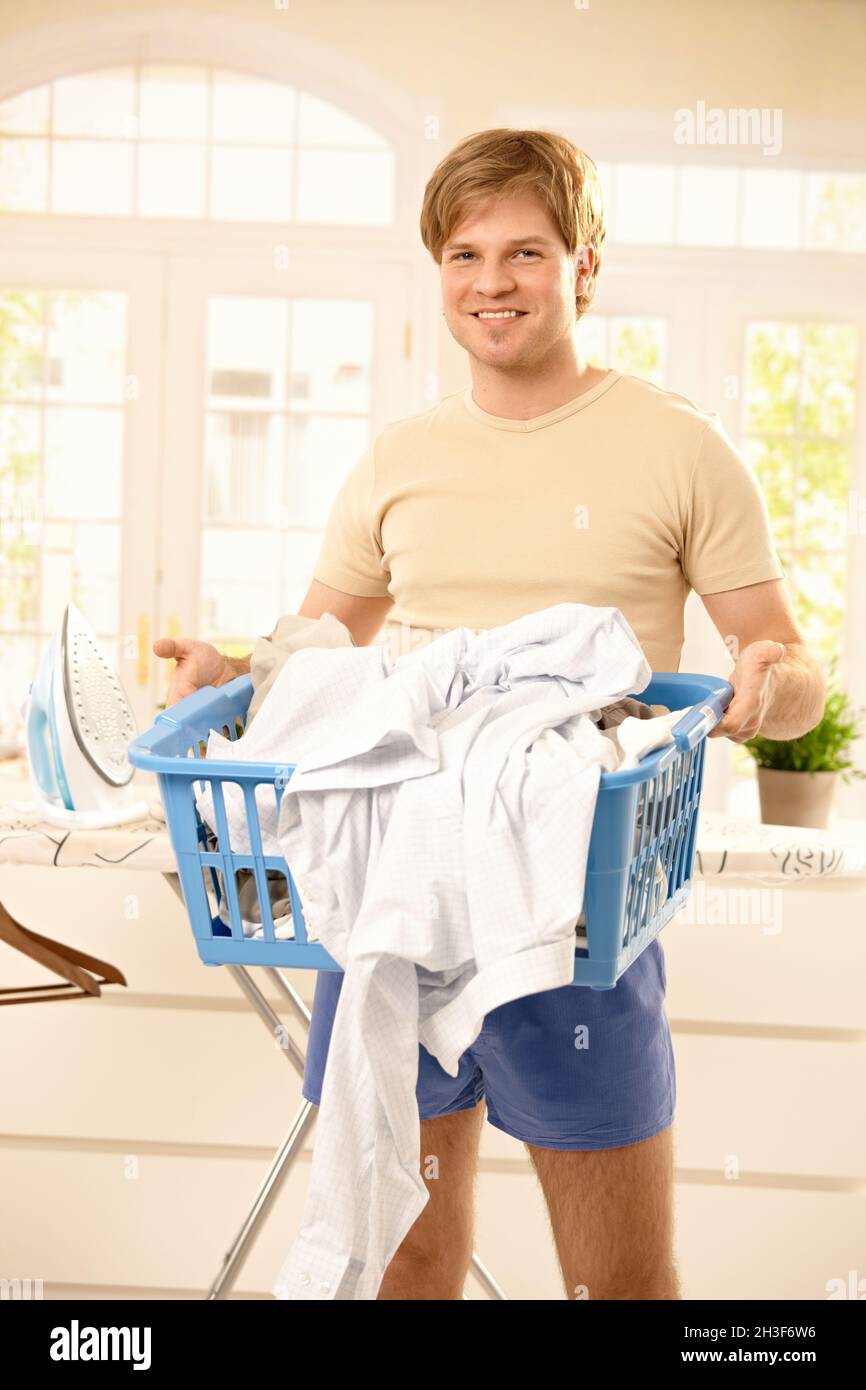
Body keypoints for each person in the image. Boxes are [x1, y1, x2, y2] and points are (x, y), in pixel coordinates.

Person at [155, 128, 826, 1301]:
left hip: (574, 903)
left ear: (585, 264)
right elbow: (316, 657)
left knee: (616, 1280)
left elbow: (795, 667)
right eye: (462, 255)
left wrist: (771, 684)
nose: (490, 283)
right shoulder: (395, 462)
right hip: (392, 898)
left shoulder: (680, 449)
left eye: (523, 252)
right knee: (409, 1253)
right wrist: (232, 665)